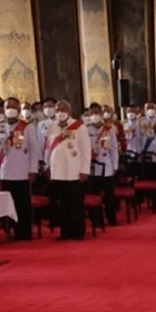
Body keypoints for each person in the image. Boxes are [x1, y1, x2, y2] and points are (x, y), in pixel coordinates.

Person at [0, 97, 42, 241]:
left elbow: (34, 149)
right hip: (5, 172)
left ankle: (24, 232)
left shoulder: (27, 127)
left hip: (23, 171)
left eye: (13, 107)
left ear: (18, 110)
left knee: (23, 204)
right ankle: (9, 231)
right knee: (8, 205)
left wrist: (33, 169)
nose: (10, 110)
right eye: (8, 107)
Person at [46, 101, 91, 240]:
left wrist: (84, 170)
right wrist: (48, 166)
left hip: (74, 170)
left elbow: (85, 150)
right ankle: (65, 232)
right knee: (62, 203)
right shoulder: (52, 126)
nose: (60, 112)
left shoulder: (79, 126)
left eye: (63, 109)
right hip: (57, 170)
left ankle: (77, 231)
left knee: (75, 203)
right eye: (58, 109)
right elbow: (49, 148)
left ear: (69, 111)